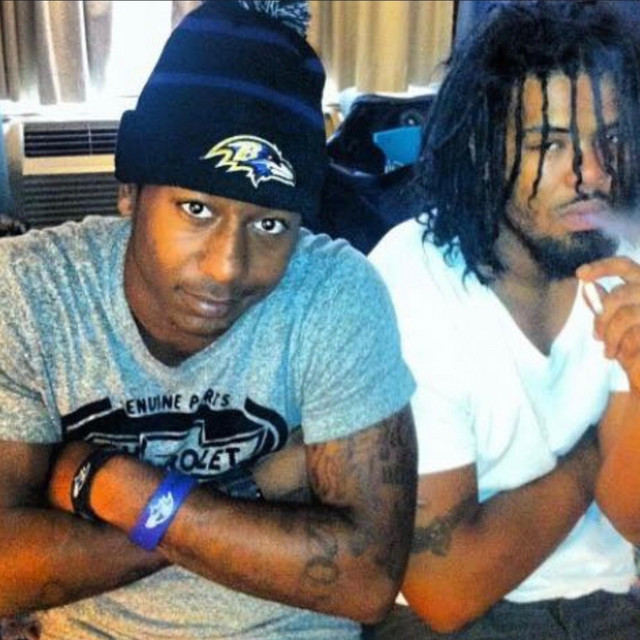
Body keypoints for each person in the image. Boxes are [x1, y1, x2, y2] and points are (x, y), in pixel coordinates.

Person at [0, 2, 418, 639]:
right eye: (196, 209)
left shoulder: (336, 295)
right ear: (130, 190)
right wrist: (241, 498)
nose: (227, 267)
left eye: (269, 223)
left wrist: (114, 487)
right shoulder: (31, 294)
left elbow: (366, 580)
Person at [369, 1, 640, 638]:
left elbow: (631, 519)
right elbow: (444, 589)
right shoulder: (412, 280)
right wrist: (588, 458)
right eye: (551, 145)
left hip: (605, 605)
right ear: (483, 150)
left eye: (609, 141)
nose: (592, 176)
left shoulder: (627, 261)